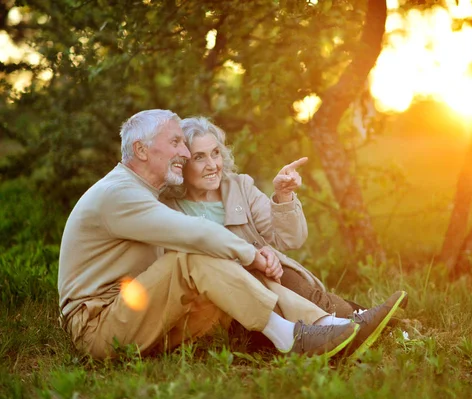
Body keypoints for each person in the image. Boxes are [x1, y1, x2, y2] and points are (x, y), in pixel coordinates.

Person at [57, 109, 405, 361]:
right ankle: (294, 338)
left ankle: (327, 326)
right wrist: (251, 253)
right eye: (176, 142)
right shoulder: (119, 194)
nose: (183, 151)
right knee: (194, 255)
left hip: (140, 315)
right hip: (99, 328)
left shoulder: (148, 192)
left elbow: (285, 238)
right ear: (142, 150)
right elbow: (192, 233)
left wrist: (262, 235)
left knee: (217, 261)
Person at [160, 116, 408, 343]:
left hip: (276, 279)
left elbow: (291, 239)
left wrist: (284, 196)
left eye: (215, 153)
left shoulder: (239, 187)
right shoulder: (166, 208)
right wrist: (251, 258)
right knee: (268, 283)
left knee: (286, 280)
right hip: (226, 302)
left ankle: (366, 321)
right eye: (199, 157)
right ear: (181, 163)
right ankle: (359, 319)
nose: (213, 164)